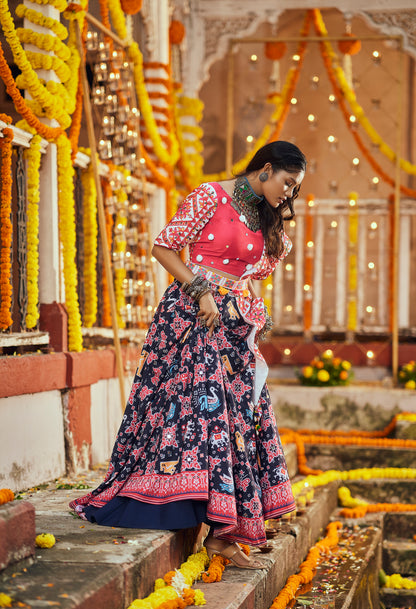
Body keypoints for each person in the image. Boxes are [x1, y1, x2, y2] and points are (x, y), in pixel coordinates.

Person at [70, 140, 307, 569]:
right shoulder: (210, 196)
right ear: (266, 169)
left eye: (294, 188)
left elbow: (249, 275)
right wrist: (201, 294)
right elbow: (164, 247)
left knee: (239, 423)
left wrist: (258, 310)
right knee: (207, 420)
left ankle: (227, 531)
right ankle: (214, 530)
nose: (288, 194)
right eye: (287, 183)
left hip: (235, 327)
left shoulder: (265, 217)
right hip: (195, 317)